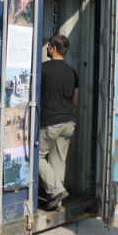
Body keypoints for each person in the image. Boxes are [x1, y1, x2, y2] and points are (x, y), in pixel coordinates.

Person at [39, 34, 79, 211]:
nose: (47, 48)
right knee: (58, 162)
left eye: (49, 46)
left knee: (35, 156)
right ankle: (56, 202)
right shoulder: (72, 72)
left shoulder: (43, 68)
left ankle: (56, 191)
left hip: (50, 121)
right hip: (68, 122)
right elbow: (75, 101)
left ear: (54, 48)